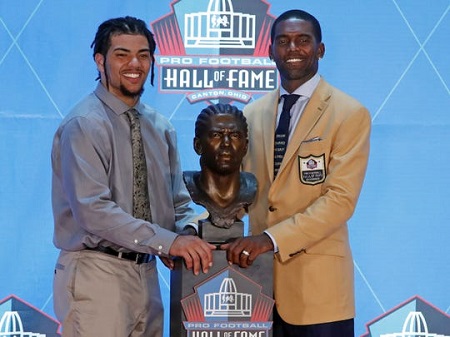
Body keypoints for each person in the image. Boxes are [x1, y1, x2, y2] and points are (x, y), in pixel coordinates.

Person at [51, 16, 215, 337]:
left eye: (143, 55)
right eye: (121, 54)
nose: (134, 64)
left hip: (147, 273)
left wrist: (186, 233)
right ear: (100, 60)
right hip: (96, 273)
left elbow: (178, 201)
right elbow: (94, 212)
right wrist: (169, 242)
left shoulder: (159, 127)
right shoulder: (84, 124)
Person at [221, 9, 371, 337]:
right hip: (257, 290)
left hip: (319, 293)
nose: (293, 48)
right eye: (283, 41)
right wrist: (200, 230)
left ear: (320, 49)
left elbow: (340, 201)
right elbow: (243, 193)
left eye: (303, 40)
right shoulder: (252, 113)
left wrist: (270, 239)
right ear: (270, 50)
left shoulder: (349, 113)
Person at [183, 103, 257, 230]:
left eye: (234, 135)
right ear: (198, 145)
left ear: (245, 146)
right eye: (216, 135)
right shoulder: (184, 185)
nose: (226, 143)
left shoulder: (251, 186)